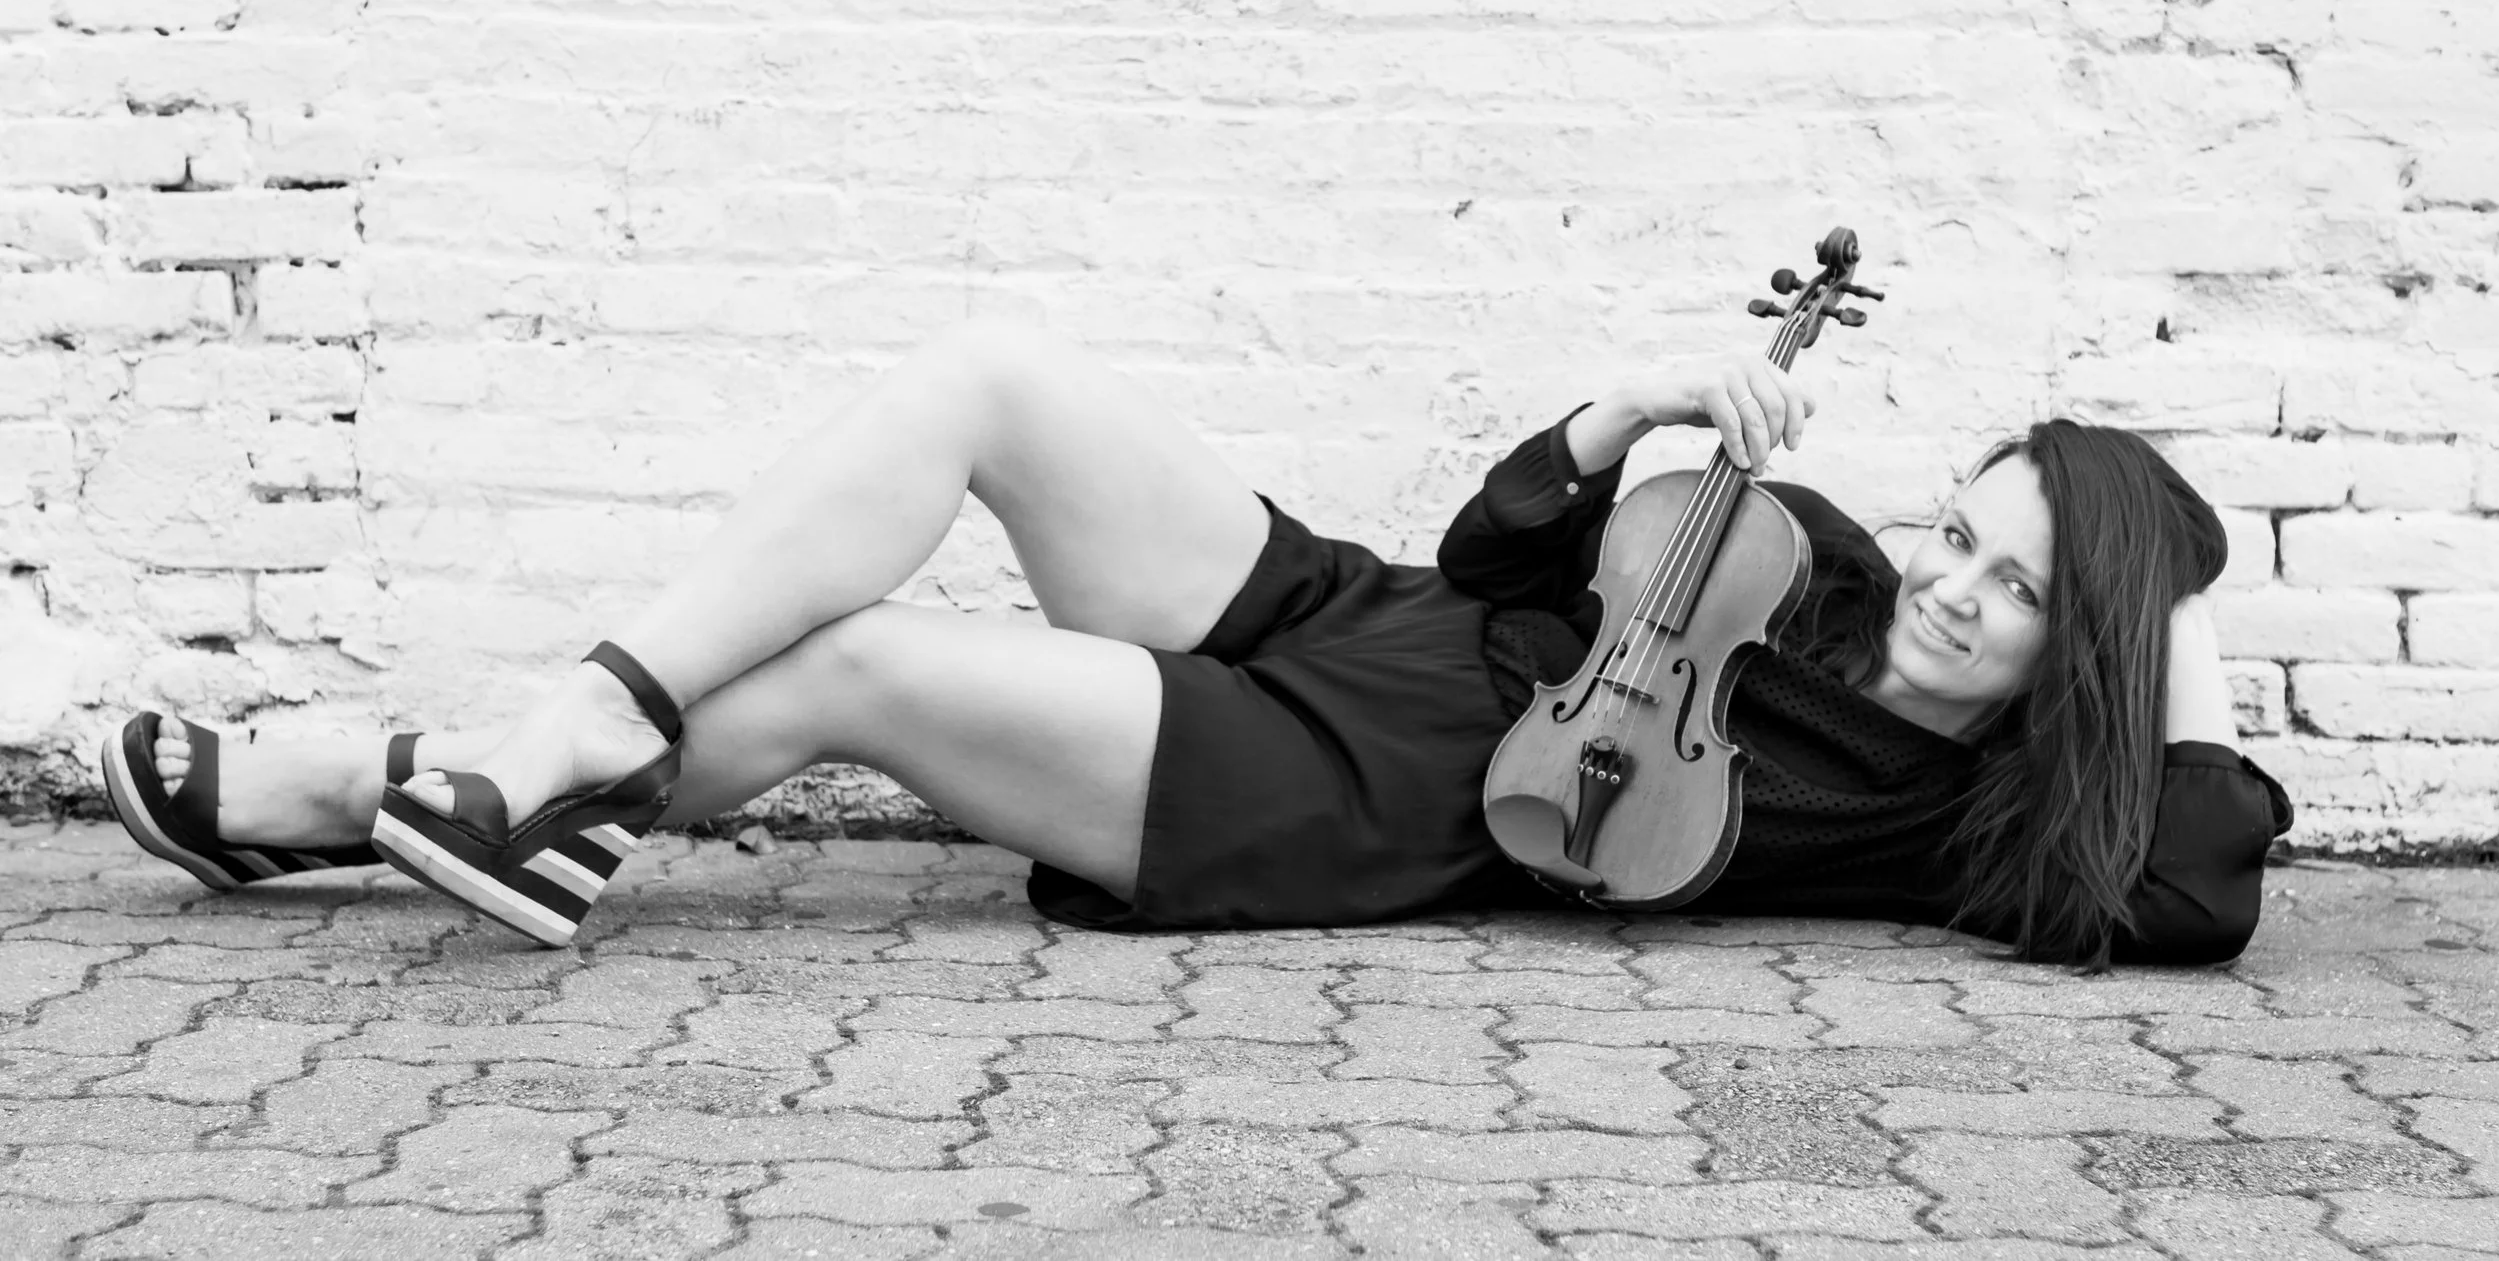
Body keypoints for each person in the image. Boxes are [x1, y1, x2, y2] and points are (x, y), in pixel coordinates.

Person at [102, 321, 2292, 967]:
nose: (1950, 588)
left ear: (2075, 648)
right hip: (1332, 614)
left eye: (2015, 590)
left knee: (854, 668)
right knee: (978, 385)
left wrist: (2159, 600)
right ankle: (557, 743)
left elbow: (2192, 875)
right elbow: (1498, 576)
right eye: (1961, 535)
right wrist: (1615, 419)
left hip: (1320, 786)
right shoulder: (1782, 542)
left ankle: (356, 772)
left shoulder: (1958, 820)